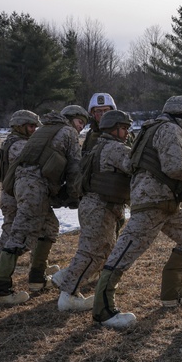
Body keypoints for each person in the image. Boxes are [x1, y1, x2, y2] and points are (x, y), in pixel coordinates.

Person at [90, 96, 182, 331]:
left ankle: (172, 292)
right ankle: (103, 309)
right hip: (153, 201)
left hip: (162, 199)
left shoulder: (151, 128)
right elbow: (174, 167)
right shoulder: (171, 129)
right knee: (126, 250)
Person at [0, 105, 87, 305]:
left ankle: (37, 279)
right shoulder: (68, 132)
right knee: (21, 234)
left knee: (49, 227)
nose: (81, 127)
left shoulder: (45, 130)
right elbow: (75, 167)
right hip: (34, 187)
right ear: (70, 119)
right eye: (80, 122)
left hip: (23, 185)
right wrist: (75, 195)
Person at [53, 110, 134, 313]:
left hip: (94, 205)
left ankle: (68, 287)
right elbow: (134, 165)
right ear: (113, 129)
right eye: (124, 128)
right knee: (92, 253)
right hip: (100, 207)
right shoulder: (116, 149)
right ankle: (68, 293)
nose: (126, 132)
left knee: (97, 251)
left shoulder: (100, 146)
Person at [0, 109, 40, 289]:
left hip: (13, 194)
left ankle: (36, 267)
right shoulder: (18, 145)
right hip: (13, 197)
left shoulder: (12, 142)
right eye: (31, 126)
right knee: (9, 235)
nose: (34, 130)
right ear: (20, 126)